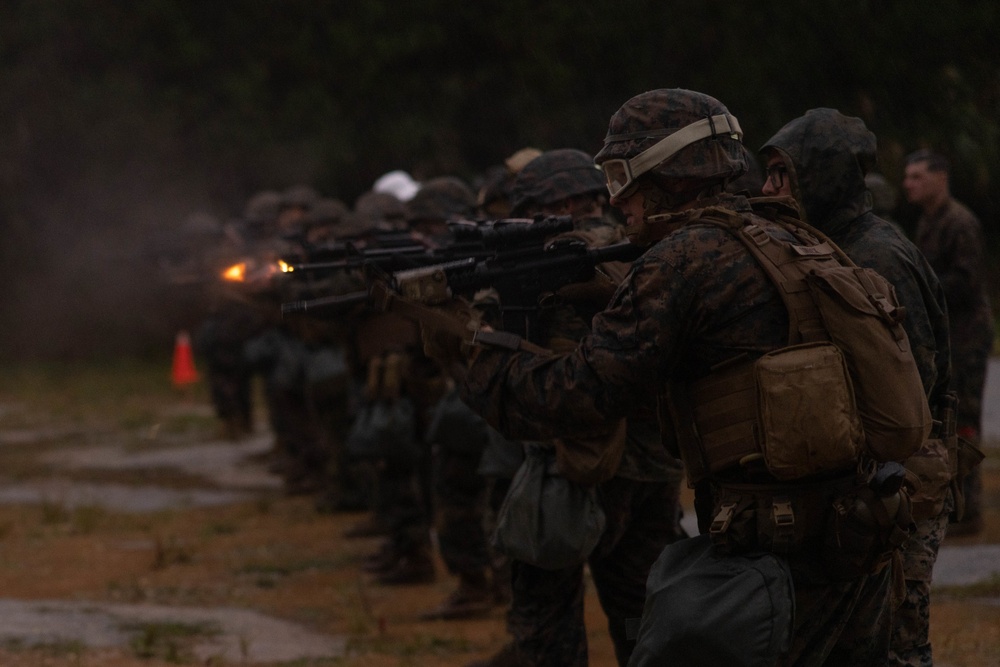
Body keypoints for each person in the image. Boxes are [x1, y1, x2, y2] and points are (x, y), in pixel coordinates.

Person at [444, 89, 916, 665]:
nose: (618, 200)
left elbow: (575, 395)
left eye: (622, 174)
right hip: (857, 537)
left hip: (773, 558)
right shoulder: (793, 234)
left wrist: (467, 347)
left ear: (668, 170)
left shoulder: (684, 260)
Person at [464, 149, 686, 667]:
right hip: (652, 468)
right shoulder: (650, 251)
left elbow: (485, 370)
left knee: (545, 618)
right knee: (643, 613)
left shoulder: (543, 262)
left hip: (568, 471)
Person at [760, 108, 952, 667]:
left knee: (898, 643)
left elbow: (916, 381)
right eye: (767, 173)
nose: (768, 188)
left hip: (904, 485)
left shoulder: (875, 254)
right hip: (867, 488)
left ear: (820, 177)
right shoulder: (822, 246)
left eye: (782, 175)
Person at [903, 149, 993, 536]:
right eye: (907, 177)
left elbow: (968, 281)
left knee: (963, 421)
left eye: (917, 176)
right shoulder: (929, 220)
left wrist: (921, 288)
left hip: (966, 336)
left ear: (941, 178)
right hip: (948, 335)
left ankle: (968, 509)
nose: (908, 184)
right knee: (946, 421)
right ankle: (955, 505)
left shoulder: (959, 222)